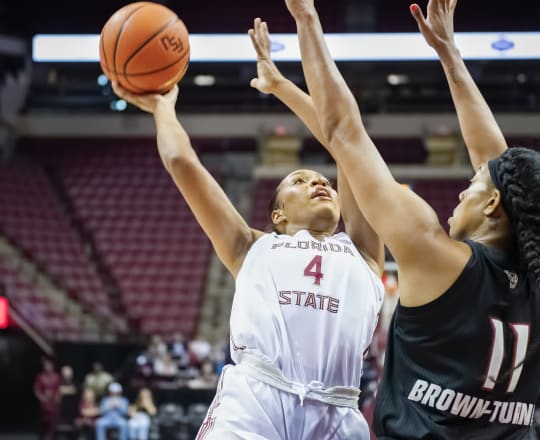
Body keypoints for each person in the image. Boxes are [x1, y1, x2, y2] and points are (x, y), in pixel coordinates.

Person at [284, 0, 540, 437]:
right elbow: (498, 165)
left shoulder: (435, 255)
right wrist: (449, 55)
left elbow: (344, 130)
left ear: (493, 204)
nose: (461, 191)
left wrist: (306, 17)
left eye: (473, 185)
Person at [110, 16, 384, 438]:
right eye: (300, 180)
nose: (319, 182)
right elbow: (182, 162)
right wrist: (163, 106)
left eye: (324, 180)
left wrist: (282, 87)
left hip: (337, 414)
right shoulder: (251, 246)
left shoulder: (364, 250)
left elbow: (346, 140)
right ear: (277, 216)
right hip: (256, 402)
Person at [33, 357, 60, 440]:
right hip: (43, 404)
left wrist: (56, 398)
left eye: (49, 366)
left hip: (53, 404)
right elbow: (36, 390)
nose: (48, 367)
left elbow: (59, 390)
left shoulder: (56, 377)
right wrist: (42, 398)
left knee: (53, 424)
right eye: (46, 366)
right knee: (43, 423)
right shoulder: (40, 377)